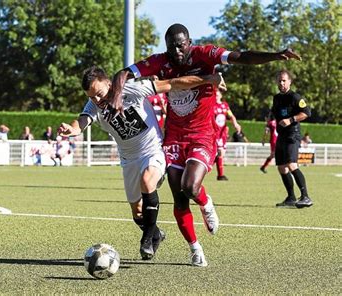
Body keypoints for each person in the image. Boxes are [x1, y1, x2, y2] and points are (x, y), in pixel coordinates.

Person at [109, 23, 301, 266]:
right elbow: (123, 73)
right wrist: (117, 93)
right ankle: (194, 247)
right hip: (174, 136)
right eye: (171, 47)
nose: (177, 51)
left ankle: (206, 203)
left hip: (201, 134)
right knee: (178, 199)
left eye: (181, 45)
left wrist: (276, 55)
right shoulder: (161, 61)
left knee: (191, 186)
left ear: (189, 42)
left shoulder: (206, 54)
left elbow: (241, 56)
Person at [58, 66, 225, 261]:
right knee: (137, 212)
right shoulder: (93, 105)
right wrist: (72, 128)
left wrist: (206, 78)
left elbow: (171, 84)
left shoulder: (132, 89)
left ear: (109, 84)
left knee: (147, 181)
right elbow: (82, 121)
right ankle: (155, 234)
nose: (97, 100)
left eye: (99, 94)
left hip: (153, 150)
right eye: (92, 97)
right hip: (128, 160)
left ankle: (147, 240)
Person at [271, 70, 312, 208]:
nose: (281, 83)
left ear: (289, 82)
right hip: (281, 135)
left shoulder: (295, 97)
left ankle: (306, 197)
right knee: (282, 168)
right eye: (279, 80)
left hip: (292, 135)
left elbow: (307, 112)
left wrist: (291, 119)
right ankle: (291, 197)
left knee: (292, 164)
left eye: (284, 80)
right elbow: (274, 114)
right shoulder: (276, 98)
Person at [213, 87, 241, 181]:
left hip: (222, 134)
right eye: (215, 93)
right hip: (213, 133)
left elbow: (231, 116)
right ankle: (220, 175)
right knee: (218, 153)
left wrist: (235, 124)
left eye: (218, 93)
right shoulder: (211, 105)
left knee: (221, 153)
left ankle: (217, 173)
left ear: (221, 95)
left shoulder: (225, 105)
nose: (216, 95)